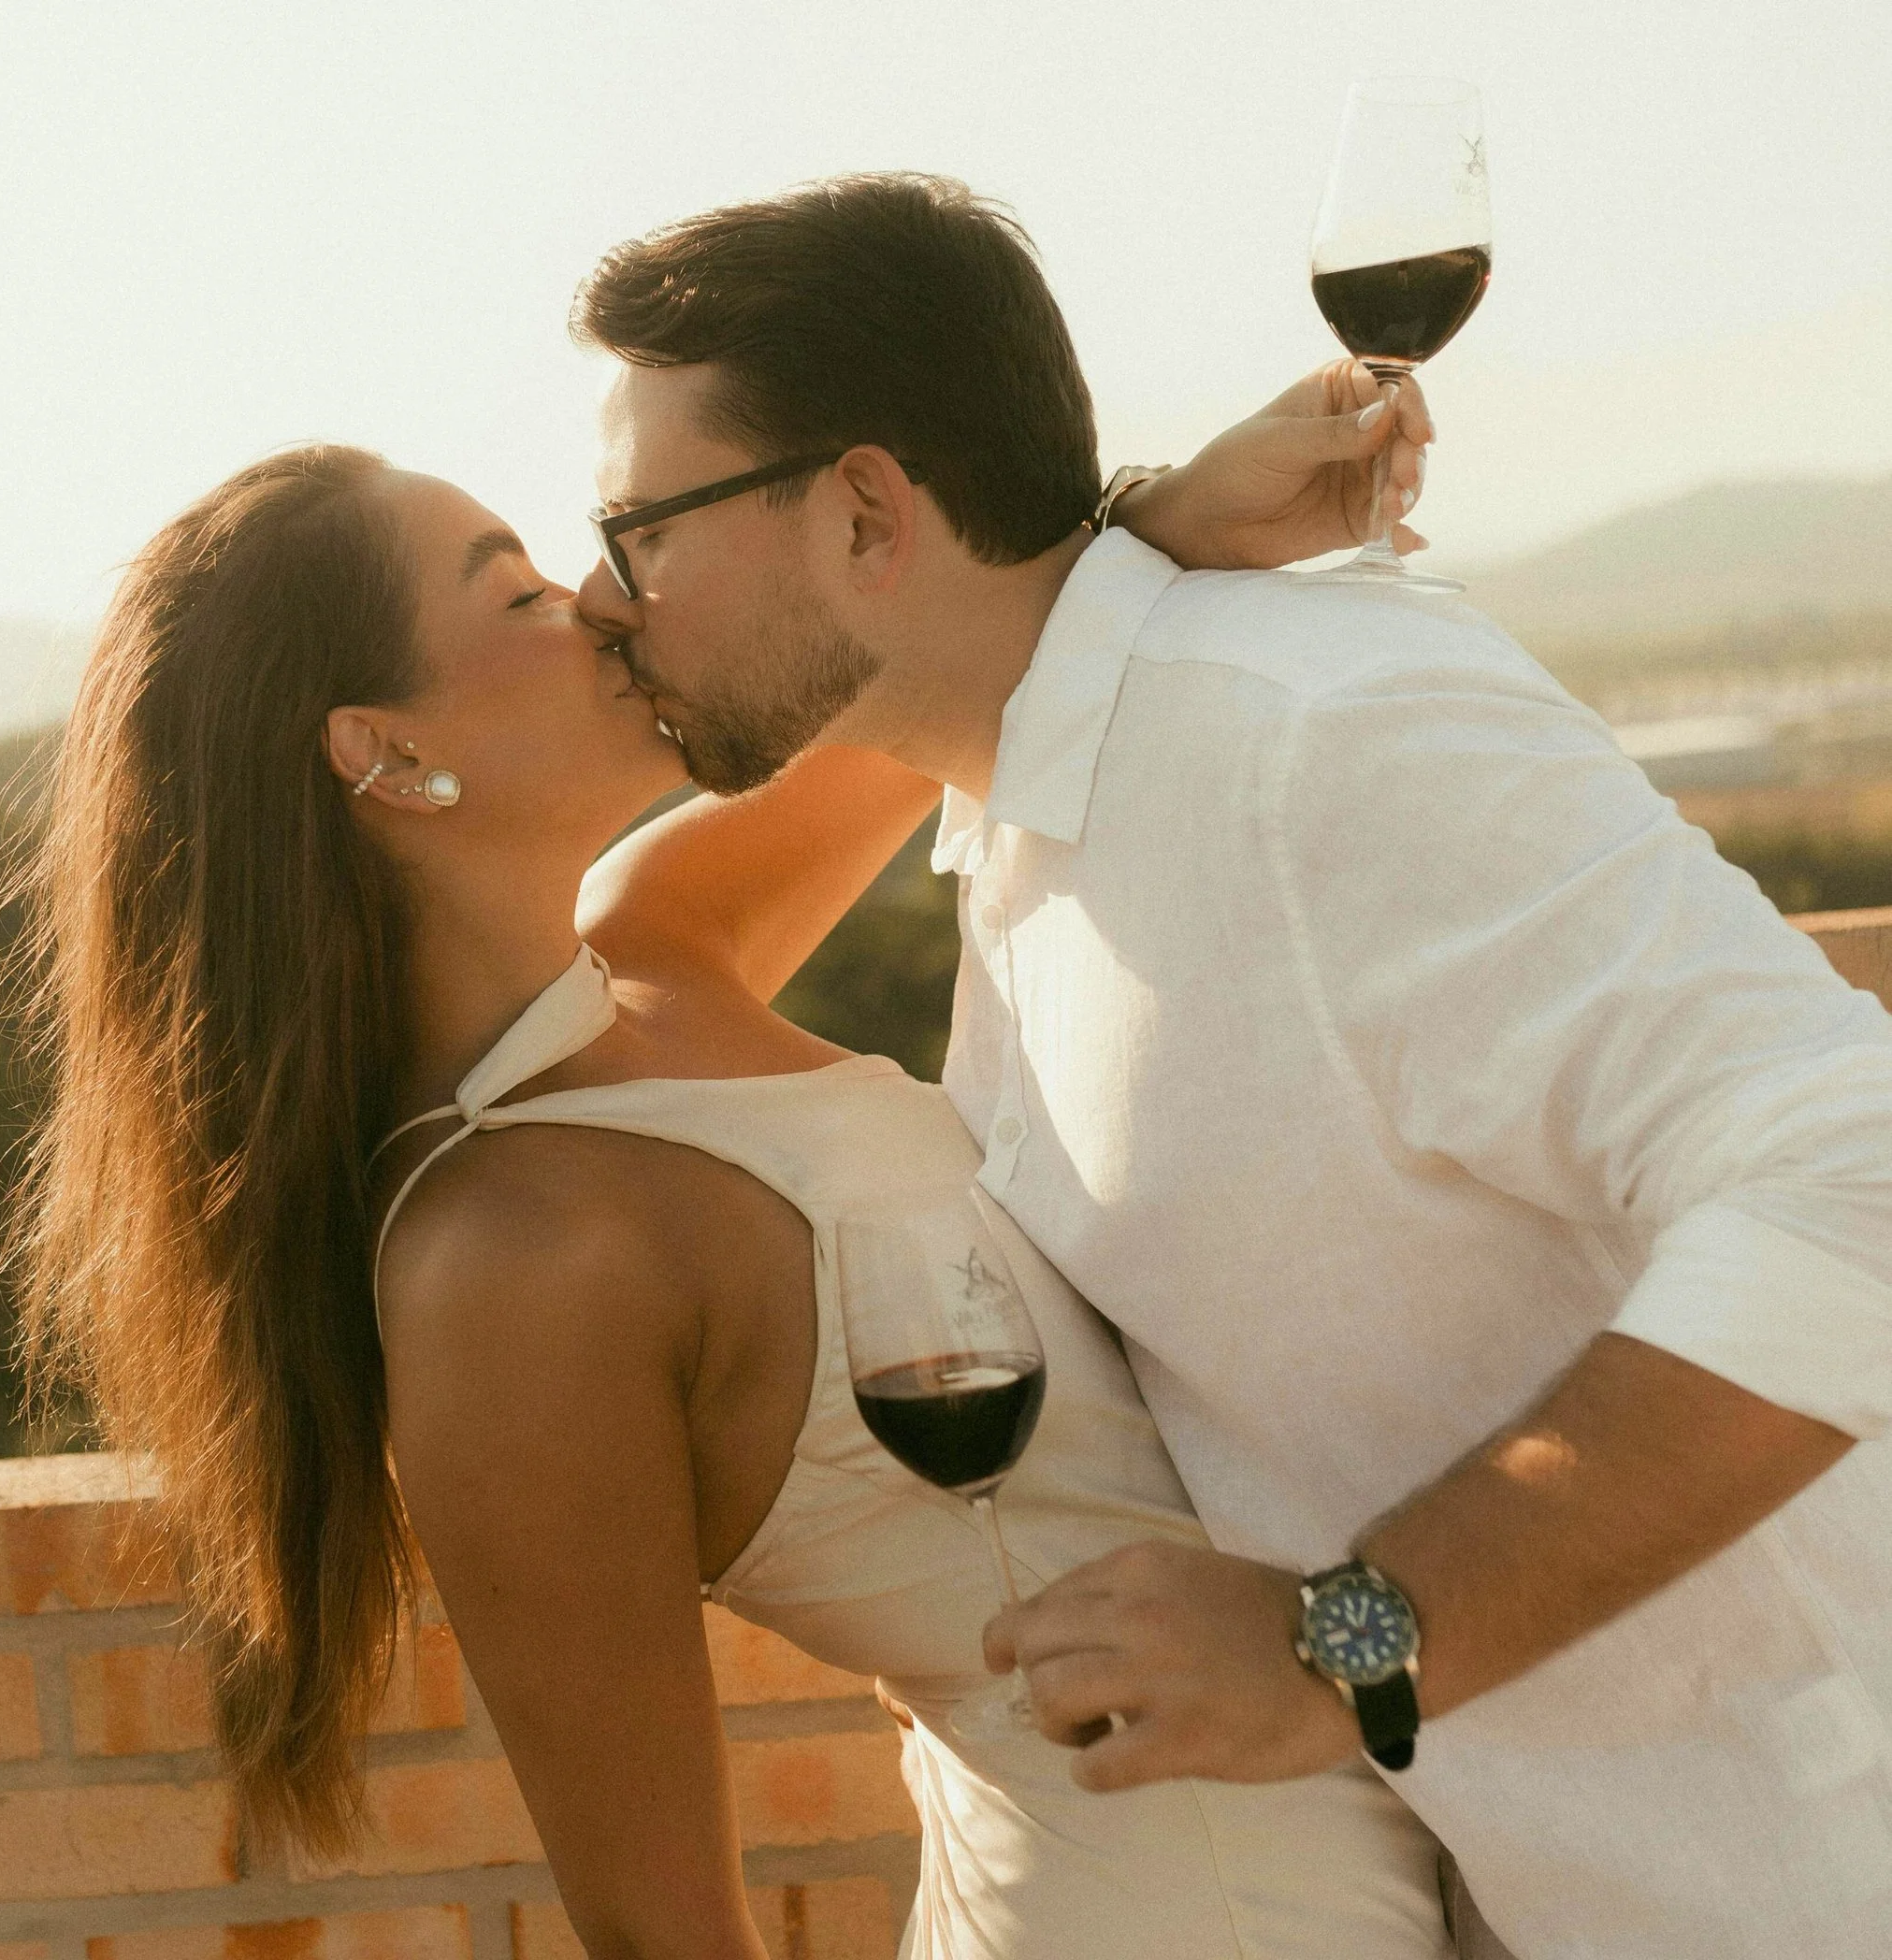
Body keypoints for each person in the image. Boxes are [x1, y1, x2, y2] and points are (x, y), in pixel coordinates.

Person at [570, 174, 1892, 1958]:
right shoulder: (1028, 825)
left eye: (640, 523)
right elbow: (627, 927)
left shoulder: (1308, 726)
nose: (602, 594)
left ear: (869, 511)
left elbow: (1851, 1175)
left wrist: (1348, 1633)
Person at [0, 349, 1459, 1950]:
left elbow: (949, 683)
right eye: (521, 597)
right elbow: (661, 1935)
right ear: (385, 755)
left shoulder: (660, 943)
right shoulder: (505, 1270)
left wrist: (1163, 514)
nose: (606, 606)